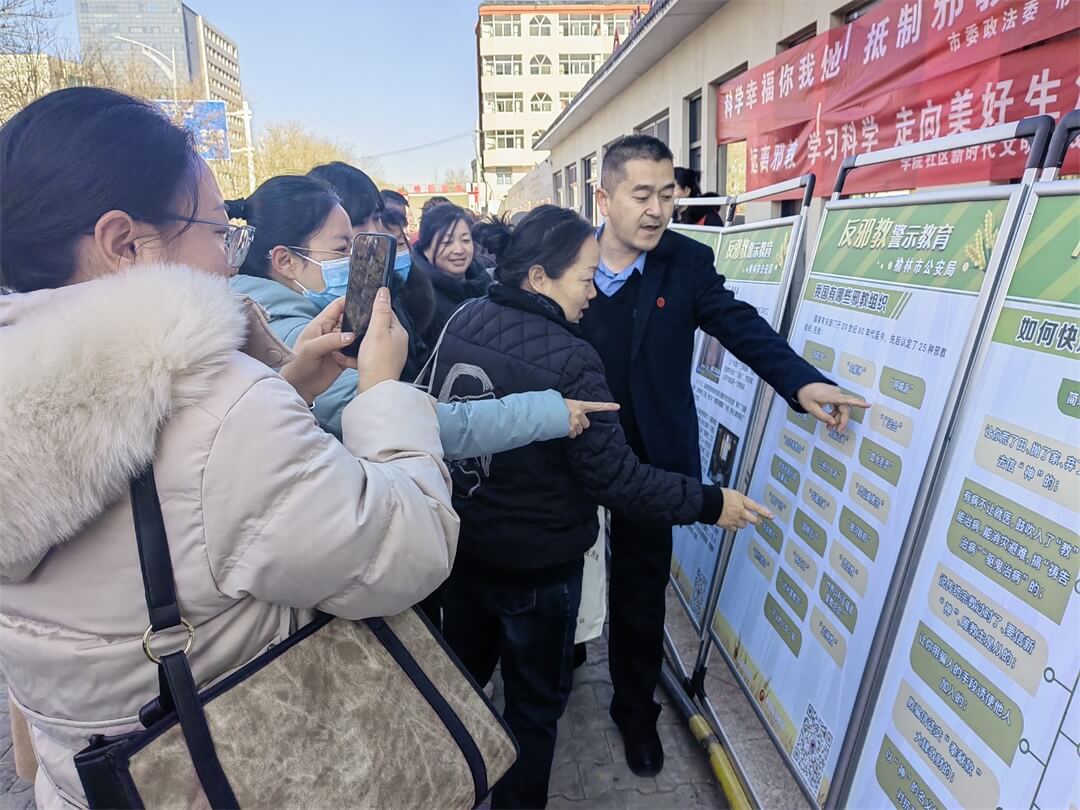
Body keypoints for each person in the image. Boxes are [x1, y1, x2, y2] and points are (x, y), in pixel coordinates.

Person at [0, 87, 458, 808]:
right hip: (240, 775)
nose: (227, 260)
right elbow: (409, 550)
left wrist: (289, 384)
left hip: (94, 785)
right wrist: (382, 391)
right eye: (218, 233)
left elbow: (169, 496)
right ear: (126, 243)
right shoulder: (221, 404)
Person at [429, 206, 771, 809]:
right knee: (533, 713)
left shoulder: (465, 314)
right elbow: (617, 479)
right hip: (538, 568)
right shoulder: (571, 357)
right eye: (585, 278)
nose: (593, 292)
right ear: (539, 278)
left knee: (461, 685)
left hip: (465, 551)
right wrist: (709, 501)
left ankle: (445, 790)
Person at [583, 135, 869, 776]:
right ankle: (562, 667)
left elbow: (737, 324)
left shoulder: (684, 261)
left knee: (640, 589)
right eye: (641, 195)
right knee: (558, 572)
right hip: (573, 448)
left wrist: (800, 381)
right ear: (604, 198)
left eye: (667, 194)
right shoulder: (566, 258)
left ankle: (633, 711)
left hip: (654, 456)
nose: (657, 210)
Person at [227, 177, 596, 456]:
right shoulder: (291, 337)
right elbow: (423, 426)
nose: (357, 259)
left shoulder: (289, 317)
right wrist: (546, 411)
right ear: (285, 261)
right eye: (343, 248)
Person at [412, 203, 492, 348]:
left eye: (465, 240)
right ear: (426, 249)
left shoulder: (486, 283)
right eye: (447, 242)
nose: (459, 250)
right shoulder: (418, 299)